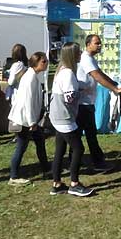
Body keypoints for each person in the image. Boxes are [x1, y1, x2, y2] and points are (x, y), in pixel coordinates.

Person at [49, 42, 94, 197]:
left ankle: (57, 183)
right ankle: (74, 183)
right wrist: (81, 92)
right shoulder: (68, 72)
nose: (81, 53)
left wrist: (79, 86)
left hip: (57, 115)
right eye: (78, 51)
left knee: (60, 150)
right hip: (64, 117)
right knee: (78, 148)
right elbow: (69, 97)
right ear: (72, 54)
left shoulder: (62, 70)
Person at [76, 34, 121, 172]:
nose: (99, 46)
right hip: (83, 103)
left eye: (100, 43)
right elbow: (96, 76)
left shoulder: (90, 59)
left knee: (85, 134)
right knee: (88, 134)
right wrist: (114, 89)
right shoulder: (86, 59)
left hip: (86, 102)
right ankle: (96, 162)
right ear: (88, 44)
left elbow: (100, 73)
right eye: (97, 43)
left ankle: (80, 161)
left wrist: (114, 83)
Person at [8, 52, 50, 186]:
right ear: (36, 62)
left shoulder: (32, 76)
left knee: (40, 141)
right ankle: (13, 176)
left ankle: (46, 168)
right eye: (44, 61)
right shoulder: (30, 77)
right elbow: (28, 101)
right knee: (21, 146)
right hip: (25, 119)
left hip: (29, 118)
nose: (46, 63)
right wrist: (32, 122)